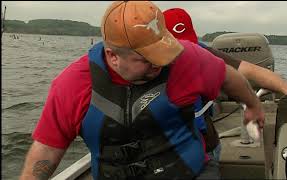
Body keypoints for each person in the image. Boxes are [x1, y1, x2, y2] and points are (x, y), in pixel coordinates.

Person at [19, 1, 265, 180]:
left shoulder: (187, 57)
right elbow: (47, 150)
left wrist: (252, 105)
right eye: (147, 59)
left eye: (163, 52)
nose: (160, 64)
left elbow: (227, 76)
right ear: (112, 56)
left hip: (191, 173)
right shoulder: (72, 85)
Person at [163, 7, 287, 177]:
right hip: (163, 150)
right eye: (177, 45)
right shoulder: (137, 65)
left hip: (203, 149)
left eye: (188, 44)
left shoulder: (202, 53)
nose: (184, 51)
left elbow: (251, 71)